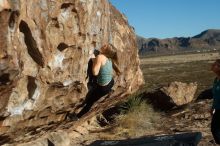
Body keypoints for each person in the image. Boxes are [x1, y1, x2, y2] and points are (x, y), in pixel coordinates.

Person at [76, 44, 121, 118]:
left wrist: (94, 60)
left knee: (90, 101)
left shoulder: (100, 57)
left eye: (105, 46)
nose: (104, 45)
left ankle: (77, 117)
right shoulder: (109, 58)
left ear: (107, 50)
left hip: (103, 87)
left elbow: (95, 73)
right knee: (92, 98)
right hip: (110, 82)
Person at [210, 59, 220, 144]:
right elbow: (216, 96)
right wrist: (213, 107)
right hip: (217, 109)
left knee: (216, 130)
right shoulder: (216, 80)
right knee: (214, 130)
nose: (212, 65)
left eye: (215, 64)